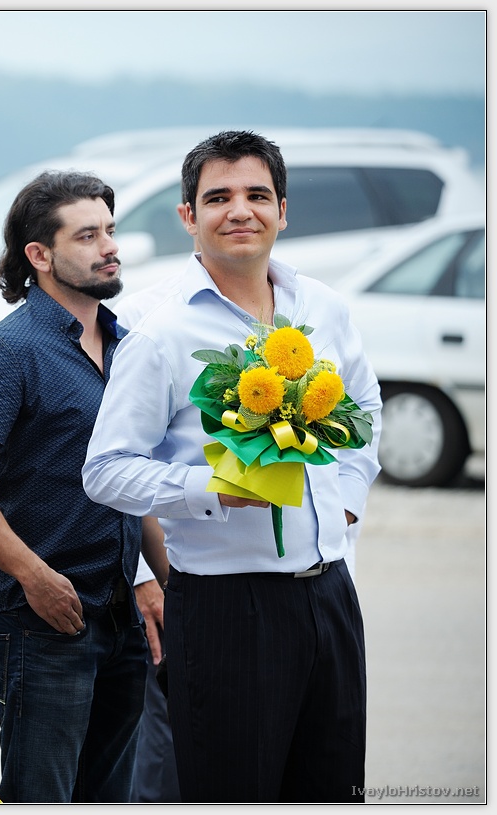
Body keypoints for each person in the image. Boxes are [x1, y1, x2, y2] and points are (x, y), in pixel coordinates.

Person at [82, 130, 382, 802]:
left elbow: (365, 402)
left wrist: (348, 495)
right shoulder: (159, 329)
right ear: (187, 216)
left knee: (333, 789)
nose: (239, 210)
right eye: (217, 197)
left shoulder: (323, 307)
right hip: (225, 607)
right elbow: (104, 470)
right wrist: (212, 488)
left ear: (283, 210)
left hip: (330, 592)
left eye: (256, 195)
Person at [0, 170, 165, 803]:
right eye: (87, 236)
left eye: (110, 231)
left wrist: (162, 581)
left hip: (121, 614)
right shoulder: (8, 350)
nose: (110, 247)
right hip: (41, 620)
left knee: (109, 798)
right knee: (43, 797)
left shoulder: (125, 345)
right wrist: (33, 576)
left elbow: (134, 475)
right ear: (39, 255)